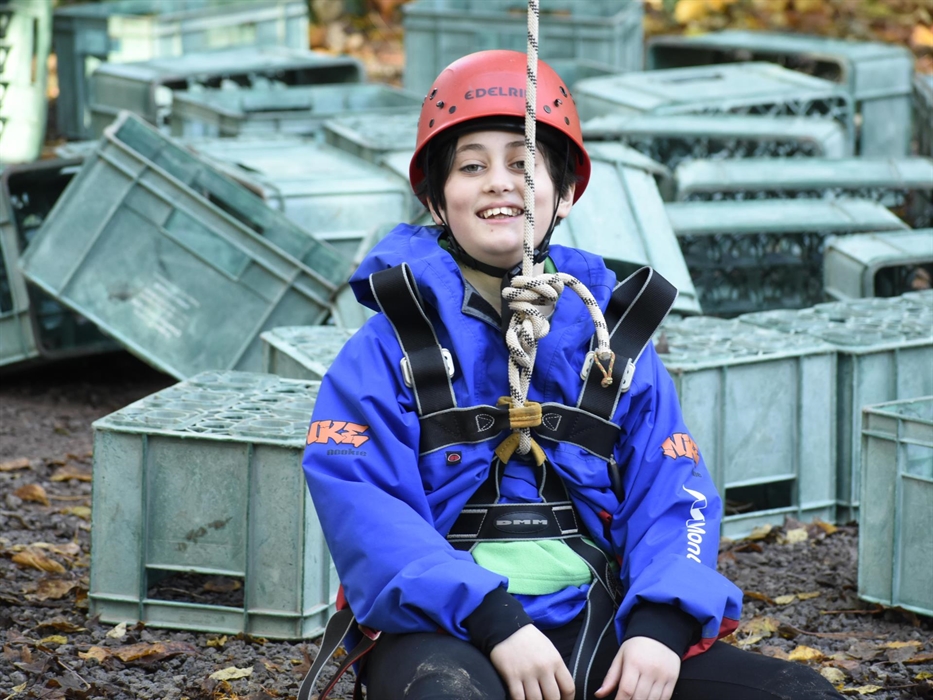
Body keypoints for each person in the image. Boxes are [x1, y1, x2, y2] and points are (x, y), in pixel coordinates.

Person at [302, 50, 844, 700]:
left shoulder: (612, 345)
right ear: (434, 197)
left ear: (567, 193)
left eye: (523, 165)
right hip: (445, 633)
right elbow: (364, 507)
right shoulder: (385, 346)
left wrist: (659, 625)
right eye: (471, 166)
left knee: (798, 695)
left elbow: (677, 491)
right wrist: (493, 621)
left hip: (601, 620)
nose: (499, 182)